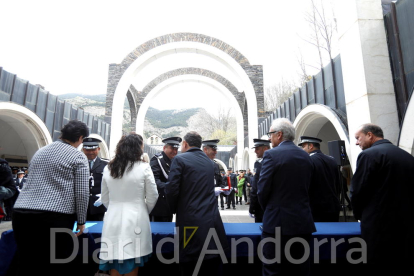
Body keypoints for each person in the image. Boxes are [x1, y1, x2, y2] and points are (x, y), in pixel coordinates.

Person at [12, 120, 90, 276]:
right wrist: (81, 221)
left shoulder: (40, 151)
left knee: (27, 261)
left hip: (21, 212)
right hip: (54, 215)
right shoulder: (78, 157)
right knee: (56, 262)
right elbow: (81, 192)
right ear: (80, 138)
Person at [351, 123, 414, 275]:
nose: (356, 142)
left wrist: (360, 215)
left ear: (370, 135)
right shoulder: (407, 156)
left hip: (378, 228)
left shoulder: (368, 155)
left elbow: (358, 191)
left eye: (358, 138)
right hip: (406, 226)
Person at [257, 118, 315, 276]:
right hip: (302, 222)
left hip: (276, 224)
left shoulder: (271, 155)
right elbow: (309, 188)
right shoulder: (306, 156)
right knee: (300, 270)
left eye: (270, 134)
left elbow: (262, 191)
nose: (269, 138)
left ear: (279, 134)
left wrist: (270, 210)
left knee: (273, 270)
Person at [165, 131, 228, 275]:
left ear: (185, 144)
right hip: (211, 219)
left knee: (189, 264)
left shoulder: (180, 160)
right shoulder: (209, 162)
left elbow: (171, 190)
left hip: (189, 221)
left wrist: (175, 209)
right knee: (208, 264)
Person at [99, 134, 158, 276]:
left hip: (112, 219)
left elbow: (105, 197)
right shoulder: (143, 167)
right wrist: (144, 210)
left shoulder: (108, 168)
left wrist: (114, 208)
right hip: (136, 220)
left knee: (114, 257)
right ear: (138, 148)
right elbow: (153, 195)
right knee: (133, 257)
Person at [298, 136, 341, 222]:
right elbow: (338, 184)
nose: (302, 149)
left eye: (303, 146)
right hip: (332, 206)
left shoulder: (308, 160)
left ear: (310, 146)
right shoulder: (332, 160)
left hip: (315, 208)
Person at [149, 136, 182, 222]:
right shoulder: (157, 160)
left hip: (169, 205)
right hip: (159, 206)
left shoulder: (174, 161)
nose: (175, 151)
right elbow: (153, 180)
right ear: (164, 148)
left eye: (176, 149)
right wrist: (169, 189)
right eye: (172, 148)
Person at [82, 137, 108, 221]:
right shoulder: (78, 163)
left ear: (99, 149)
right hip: (81, 205)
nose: (90, 152)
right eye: (87, 150)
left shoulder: (106, 165)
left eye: (93, 149)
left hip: (98, 205)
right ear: (83, 149)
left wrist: (105, 196)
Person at [249, 138, 270, 223]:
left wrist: (252, 207)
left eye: (257, 149)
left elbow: (256, 187)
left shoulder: (260, 164)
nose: (255, 151)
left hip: (261, 205)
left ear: (265, 149)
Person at [202, 139, 225, 207]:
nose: (216, 152)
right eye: (214, 150)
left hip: (214, 202)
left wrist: (224, 189)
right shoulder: (197, 164)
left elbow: (219, 181)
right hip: (202, 203)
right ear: (205, 150)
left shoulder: (215, 165)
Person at [0, 159, 16, 223]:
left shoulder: (5, 168)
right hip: (3, 189)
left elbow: (6, 179)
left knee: (1, 190)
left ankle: (2, 214)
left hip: (10, 190)